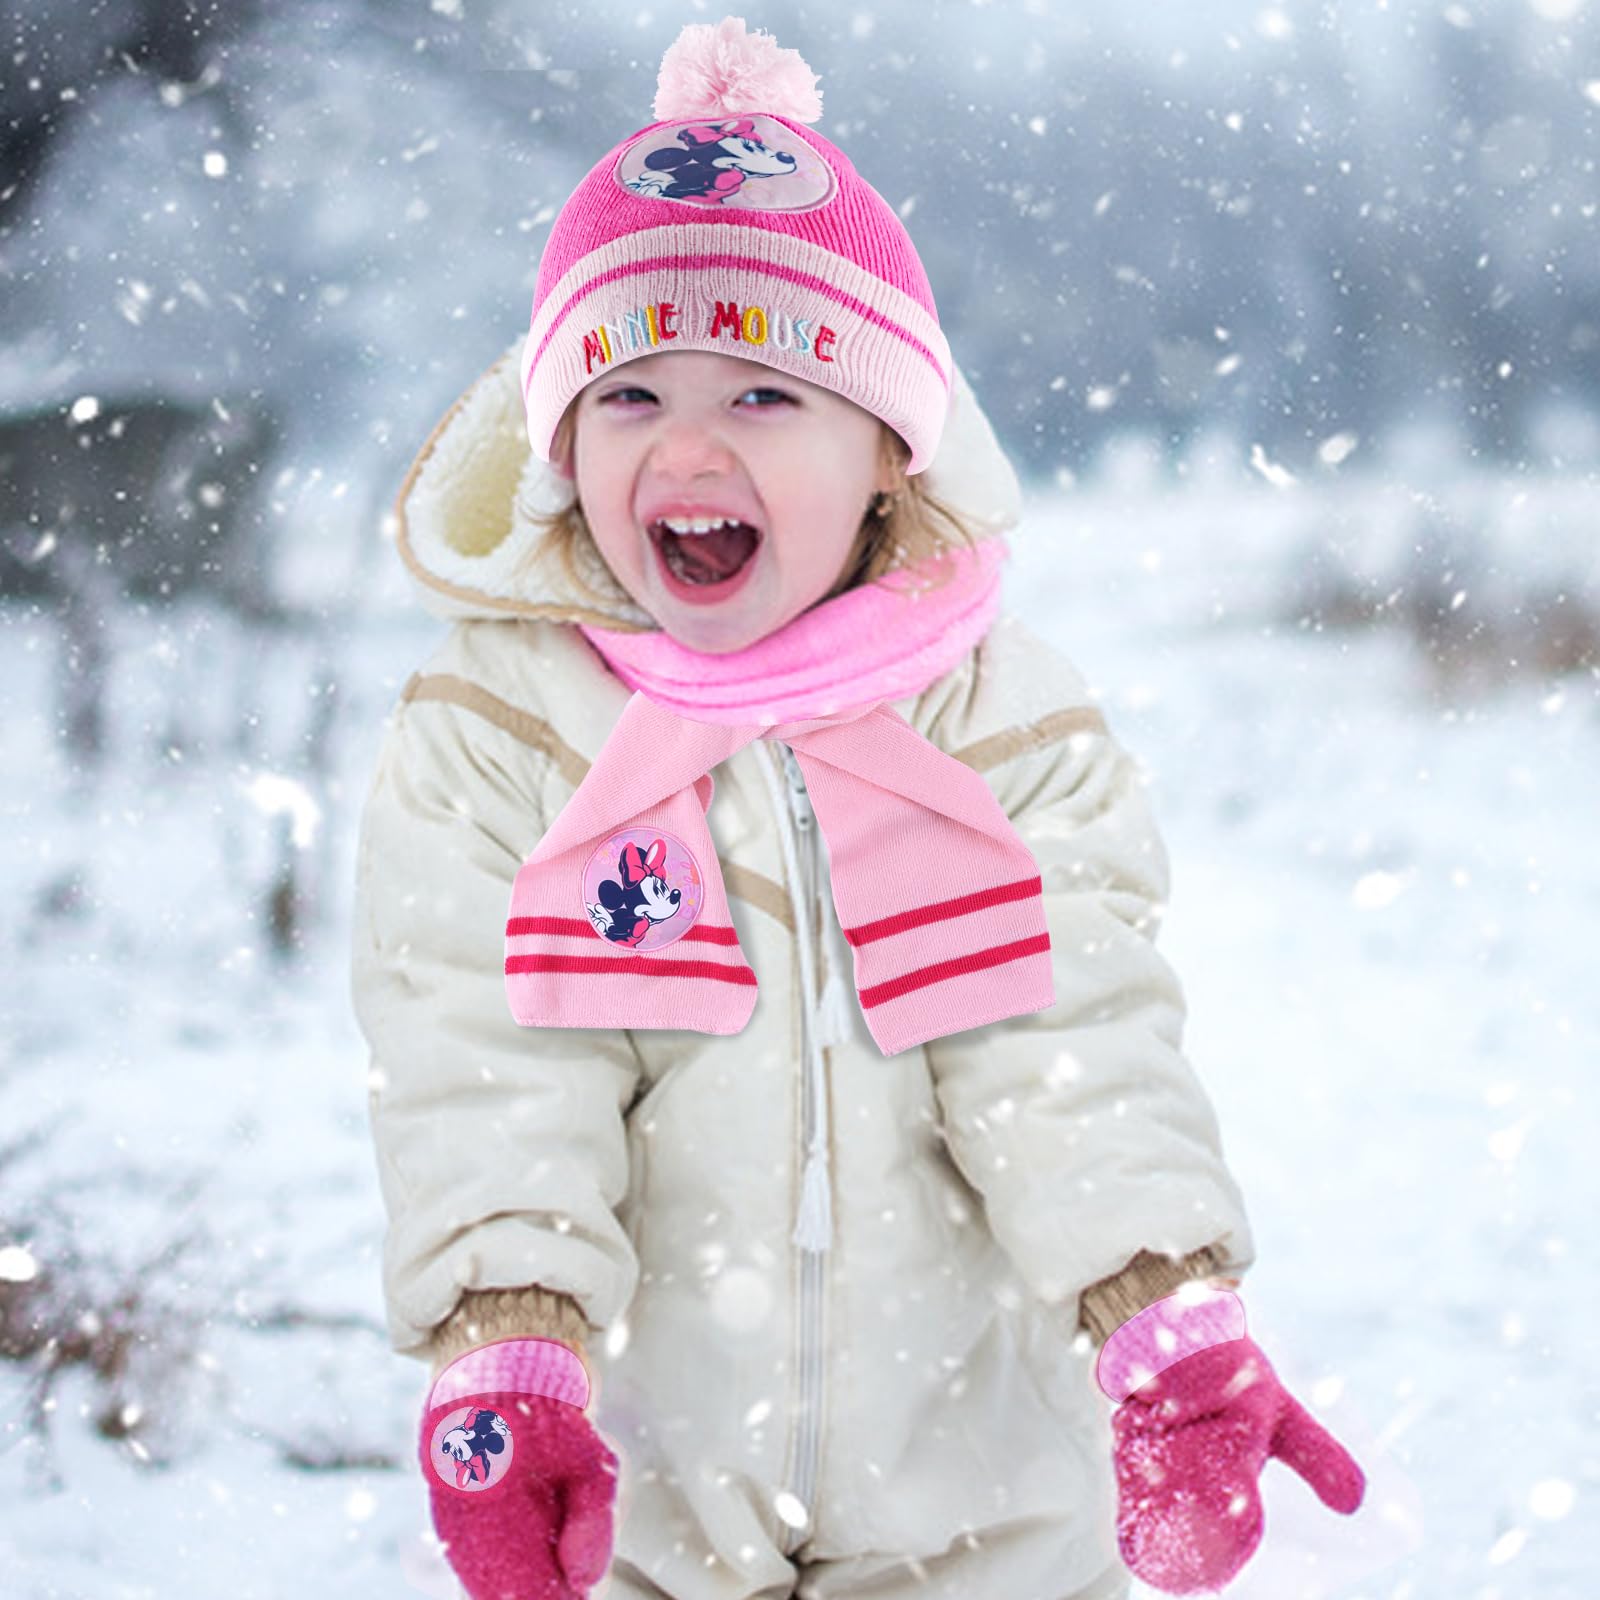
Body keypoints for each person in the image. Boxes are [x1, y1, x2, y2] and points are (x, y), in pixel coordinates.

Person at [351, 18, 1362, 1600]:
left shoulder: (996, 714)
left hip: (989, 1512)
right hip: (651, 1509)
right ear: (558, 445)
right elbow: (484, 1067)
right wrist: (506, 1344)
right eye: (629, 399)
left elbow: (1067, 1041)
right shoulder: (500, 729)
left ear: (891, 449)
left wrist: (1164, 1308)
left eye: (764, 393)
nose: (686, 444)